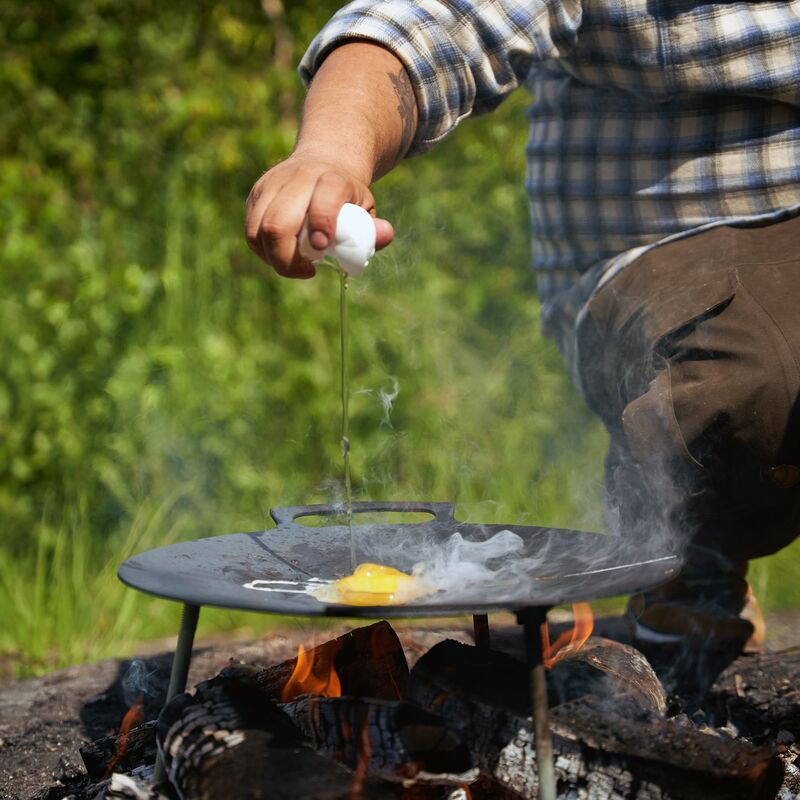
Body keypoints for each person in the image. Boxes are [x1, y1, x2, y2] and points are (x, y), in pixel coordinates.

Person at [245, 1, 800, 685]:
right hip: (675, 247)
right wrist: (332, 151)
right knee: (755, 384)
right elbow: (430, 20)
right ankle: (694, 564)